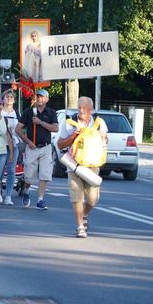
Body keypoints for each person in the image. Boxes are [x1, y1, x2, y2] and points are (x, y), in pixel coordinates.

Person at [57, 96, 108, 238]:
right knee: (77, 197)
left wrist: (104, 138)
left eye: (84, 108)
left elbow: (105, 140)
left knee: (92, 199)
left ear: (91, 110)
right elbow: (60, 144)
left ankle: (84, 214)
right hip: (74, 165)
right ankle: (80, 226)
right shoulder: (70, 123)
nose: (81, 110)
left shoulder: (99, 123)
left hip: (93, 165)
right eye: (79, 107)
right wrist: (73, 136)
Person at [15, 88, 58, 209]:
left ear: (47, 99)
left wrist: (41, 122)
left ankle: (40, 200)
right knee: (29, 176)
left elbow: (55, 128)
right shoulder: (29, 112)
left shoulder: (51, 112)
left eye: (42, 96)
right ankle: (27, 191)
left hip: (46, 147)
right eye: (38, 96)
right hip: (32, 147)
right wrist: (28, 141)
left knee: (44, 175)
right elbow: (18, 129)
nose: (39, 98)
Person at [0, 89, 21, 205]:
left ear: (14, 100)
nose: (9, 98)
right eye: (7, 96)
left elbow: (20, 130)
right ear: (3, 99)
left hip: (14, 145)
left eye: (11, 97)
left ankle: (8, 195)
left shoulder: (17, 114)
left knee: (11, 170)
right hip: (0, 145)